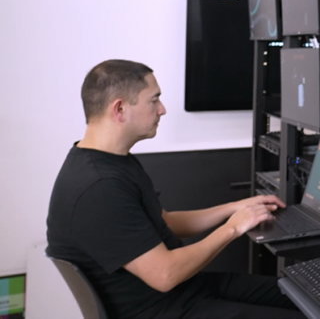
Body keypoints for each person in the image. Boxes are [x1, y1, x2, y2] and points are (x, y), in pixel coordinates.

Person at [46, 60, 304, 319]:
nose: (162, 109)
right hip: (163, 308)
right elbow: (165, 275)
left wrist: (235, 208)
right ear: (120, 109)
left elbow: (166, 222)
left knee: (302, 295)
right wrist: (233, 227)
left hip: (185, 291)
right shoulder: (99, 187)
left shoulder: (113, 161)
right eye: (154, 100)